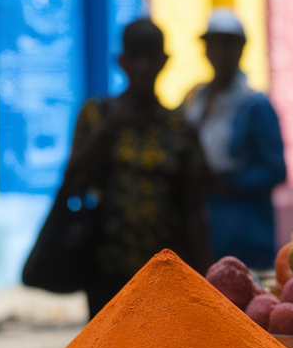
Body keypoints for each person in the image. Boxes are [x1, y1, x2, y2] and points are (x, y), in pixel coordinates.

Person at [63, 19, 211, 316]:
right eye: (135, 57)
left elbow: (194, 208)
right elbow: (71, 180)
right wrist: (105, 134)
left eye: (151, 57)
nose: (143, 66)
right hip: (107, 269)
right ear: (122, 62)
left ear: (164, 61)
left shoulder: (179, 129)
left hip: (167, 271)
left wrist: (205, 278)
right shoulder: (97, 115)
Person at [182, 8, 287, 269]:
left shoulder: (256, 106)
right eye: (215, 44)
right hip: (203, 227)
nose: (221, 53)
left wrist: (228, 183)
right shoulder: (196, 99)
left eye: (229, 45)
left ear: (241, 49)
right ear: (205, 49)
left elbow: (275, 170)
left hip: (245, 230)